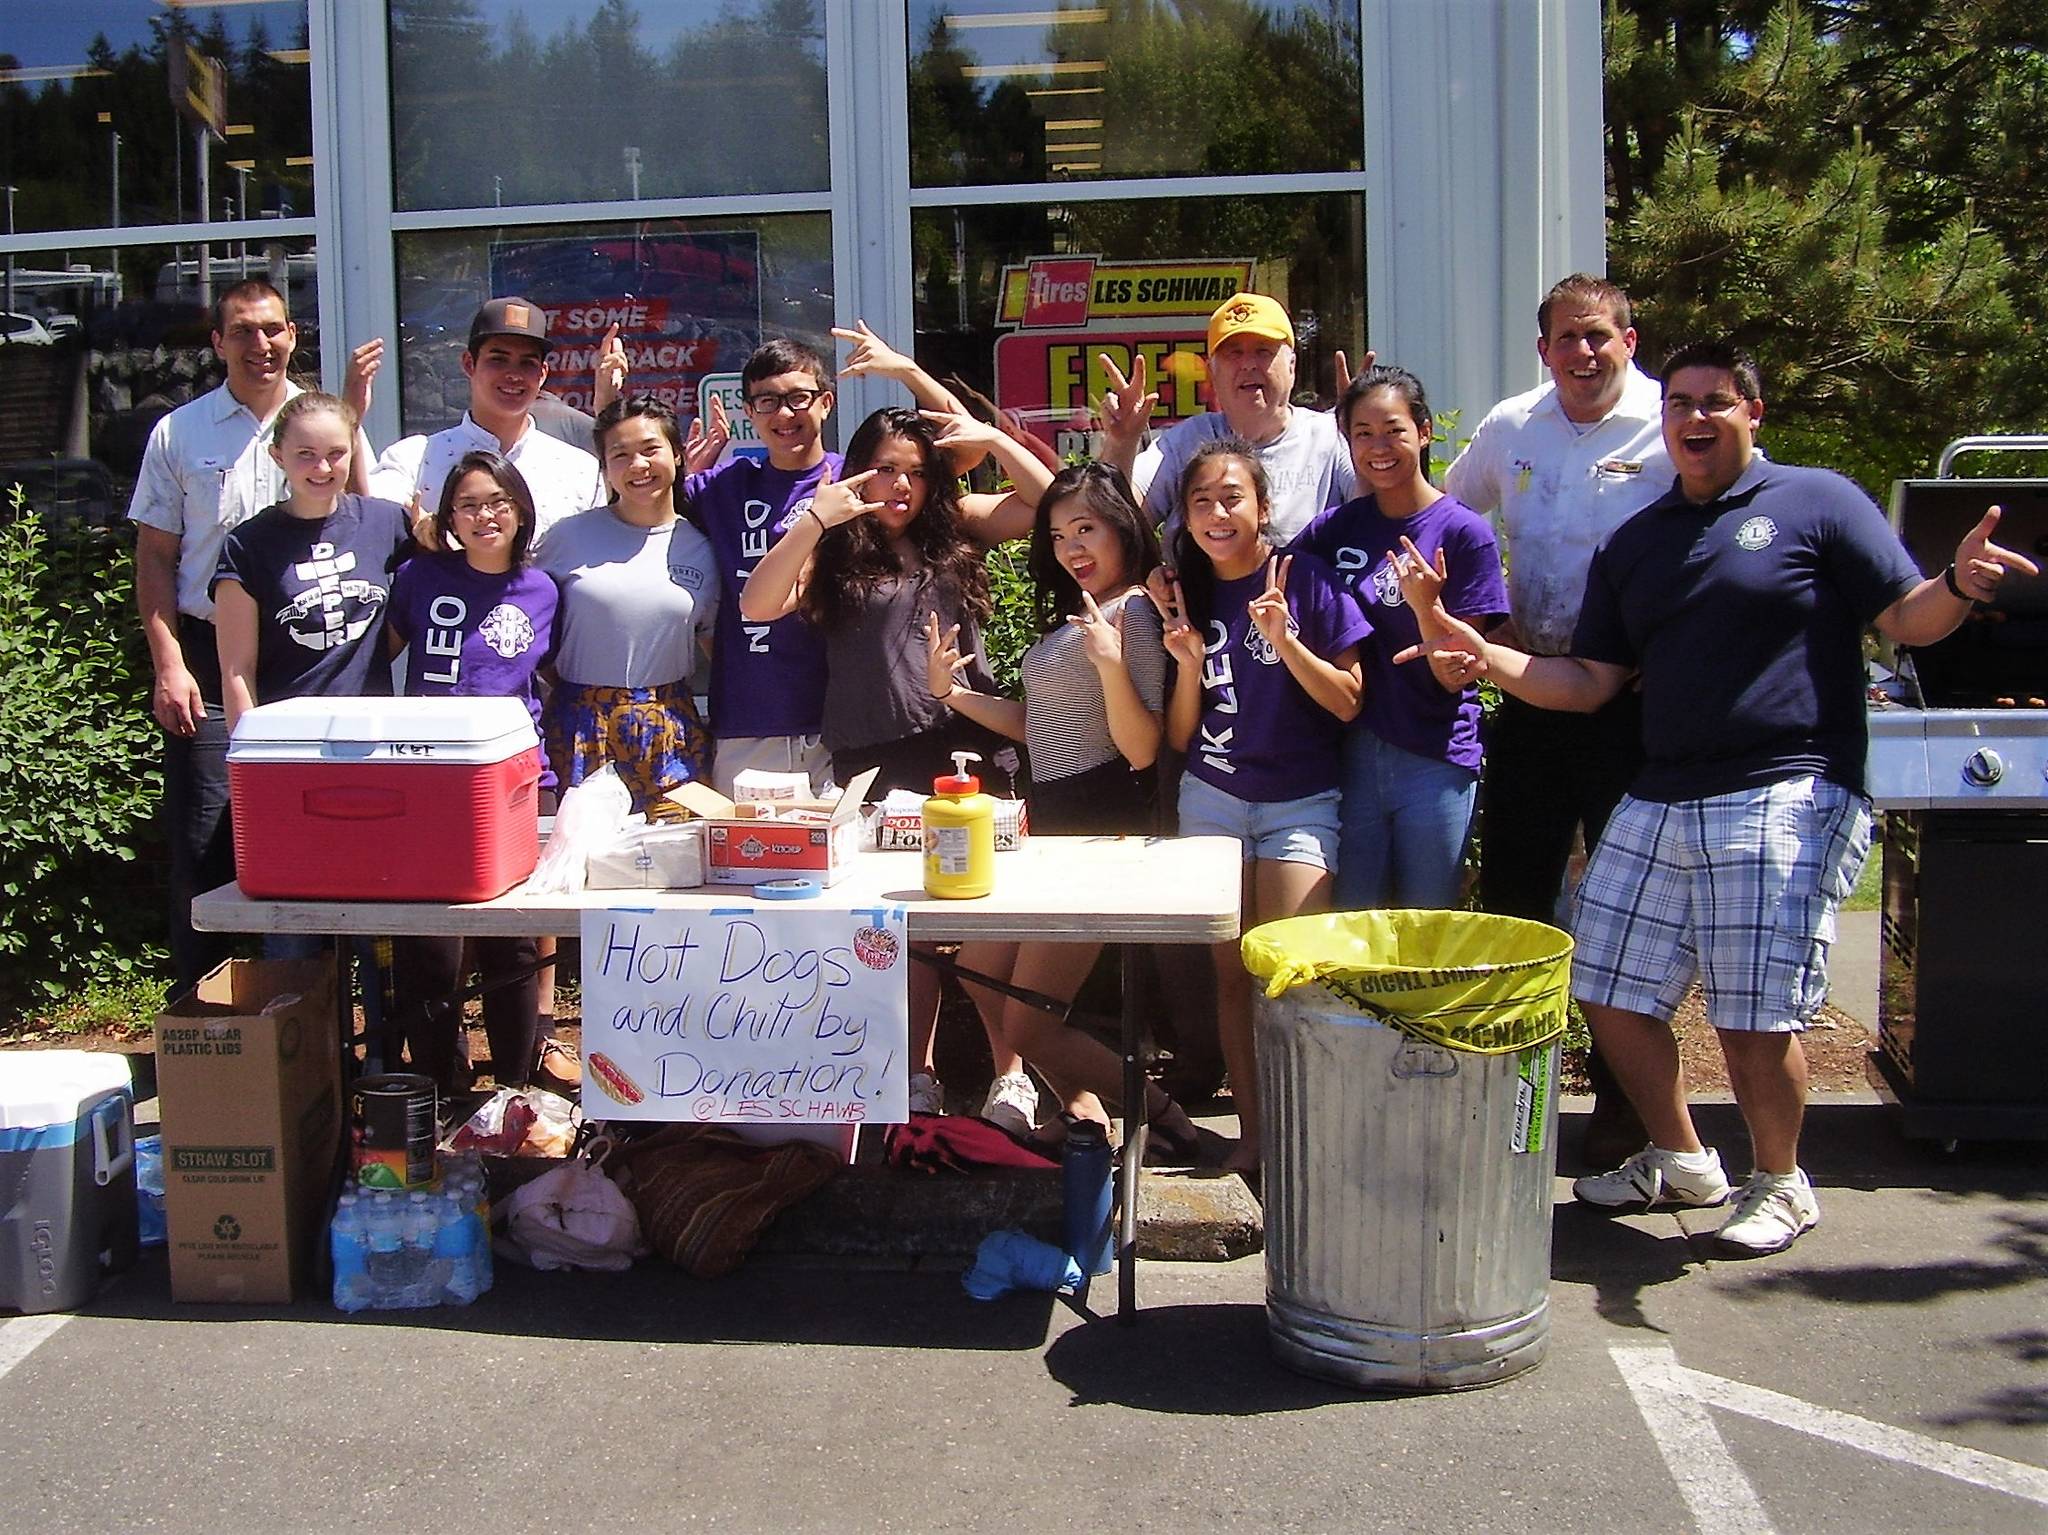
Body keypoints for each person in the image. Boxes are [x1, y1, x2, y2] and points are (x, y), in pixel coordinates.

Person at [1404, 339, 2038, 1254]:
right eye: (1683, 406)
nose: (1696, 418)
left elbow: (1905, 617)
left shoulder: (1815, 500)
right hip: (1664, 789)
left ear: (1753, 413)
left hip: (1790, 782)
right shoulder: (1639, 541)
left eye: (1716, 402)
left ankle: (1782, 1180)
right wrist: (1482, 654)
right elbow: (1588, 680)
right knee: (1604, 986)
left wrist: (1956, 584)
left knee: (1751, 1007)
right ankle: (1682, 1153)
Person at [740, 403, 1052, 1119]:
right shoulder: (835, 547)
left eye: (915, 471)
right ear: (858, 472)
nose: (902, 486)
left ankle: (1012, 1074)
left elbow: (1046, 502)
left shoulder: (957, 527)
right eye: (886, 469)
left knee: (983, 913)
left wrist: (994, 438)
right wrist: (816, 519)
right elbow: (758, 604)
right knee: (902, 924)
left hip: (966, 743)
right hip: (874, 753)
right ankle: (916, 1072)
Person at [1441, 272, 1668, 1164]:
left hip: (1634, 708)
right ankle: (1514, 1092)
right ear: (1543, 350)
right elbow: (1447, 516)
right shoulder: (1512, 426)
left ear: (1628, 340)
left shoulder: (1667, 427)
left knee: (1626, 913)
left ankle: (1625, 1107)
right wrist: (1472, 620)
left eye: (1598, 337)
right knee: (1518, 897)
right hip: (1533, 694)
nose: (1583, 352)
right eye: (1566, 339)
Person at [923, 462, 1199, 1153]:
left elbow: (1140, 747)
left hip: (1101, 826)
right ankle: (1086, 1108)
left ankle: (1161, 1113)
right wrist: (951, 694)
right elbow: (1042, 723)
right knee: (982, 968)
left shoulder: (1132, 611)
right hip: (1055, 820)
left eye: (1087, 528)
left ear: (1121, 529)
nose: (1073, 547)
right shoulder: (1089, 609)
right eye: (1058, 534)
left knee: (1029, 1024)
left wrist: (1110, 661)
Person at [1156, 439, 1369, 1171]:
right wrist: (1186, 664)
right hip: (1211, 797)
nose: (1217, 512)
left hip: (1299, 802)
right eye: (1201, 501)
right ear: (1185, 517)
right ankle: (1255, 1138)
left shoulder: (1300, 579)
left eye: (1232, 497)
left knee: (1293, 972)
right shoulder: (1184, 588)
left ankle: (1306, 1134)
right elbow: (1180, 737)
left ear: (1264, 506)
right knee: (1232, 977)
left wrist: (1285, 638)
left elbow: (1348, 701)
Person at [128, 278, 304, 991]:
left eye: (272, 330)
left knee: (310, 849)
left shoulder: (324, 421)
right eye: (242, 331)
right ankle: (209, 1033)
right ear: (217, 342)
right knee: (205, 850)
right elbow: (155, 558)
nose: (259, 345)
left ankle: (307, 1034)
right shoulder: (181, 432)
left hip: (304, 661)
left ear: (292, 335)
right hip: (207, 661)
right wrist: (169, 665)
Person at [1292, 366, 1507, 910]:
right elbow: (1266, 574)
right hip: (1354, 753)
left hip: (1434, 756)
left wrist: (1427, 607)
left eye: (1393, 430)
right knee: (1354, 922)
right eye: (1362, 433)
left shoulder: (1464, 532)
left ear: (1425, 431)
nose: (1378, 447)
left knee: (1426, 924)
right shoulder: (1337, 528)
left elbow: (1456, 671)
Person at [385, 452, 558, 1094]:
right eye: (468, 504)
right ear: (449, 516)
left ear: (519, 508)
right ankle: (441, 1089)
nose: (485, 515)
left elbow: (553, 678)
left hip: (515, 784)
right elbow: (376, 657)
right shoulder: (420, 575)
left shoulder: (544, 589)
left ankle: (513, 1091)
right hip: (426, 780)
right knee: (431, 944)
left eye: (497, 502)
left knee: (510, 944)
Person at [536, 396, 720, 818]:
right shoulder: (567, 538)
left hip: (669, 731)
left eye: (650, 449)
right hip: (580, 730)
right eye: (620, 454)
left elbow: (715, 648)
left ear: (676, 453)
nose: (638, 465)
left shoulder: (702, 547)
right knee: (583, 861)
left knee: (676, 861)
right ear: (604, 467)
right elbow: (530, 627)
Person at [213, 393, 412, 729]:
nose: (322, 468)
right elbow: (237, 670)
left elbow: (436, 584)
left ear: (353, 452)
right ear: (277, 455)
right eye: (306, 455)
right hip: (288, 735)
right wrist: (250, 756)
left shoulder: (386, 523)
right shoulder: (247, 545)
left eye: (336, 454)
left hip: (371, 732)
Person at [1096, 292, 1356, 542]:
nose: (1248, 365)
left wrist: (1366, 427)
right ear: (1213, 372)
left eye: (1263, 351)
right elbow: (1114, 527)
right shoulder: (1185, 442)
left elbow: (1380, 513)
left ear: (1291, 366)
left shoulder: (1331, 436)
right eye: (1234, 353)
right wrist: (1122, 444)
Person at [362, 298, 608, 543]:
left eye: (527, 363)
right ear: (469, 364)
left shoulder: (581, 470)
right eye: (498, 359)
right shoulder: (413, 460)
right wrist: (351, 421)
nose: (513, 374)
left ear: (543, 374)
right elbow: (364, 527)